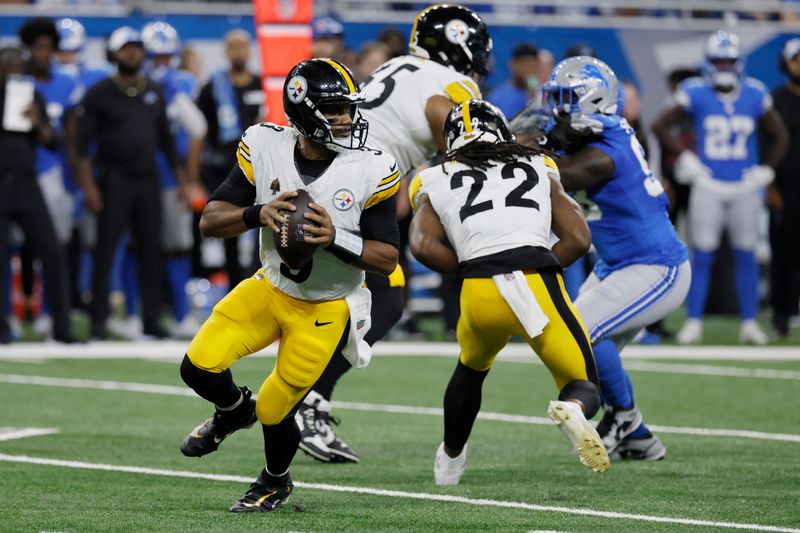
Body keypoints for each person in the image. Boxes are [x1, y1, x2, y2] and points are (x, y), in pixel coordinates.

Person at [178, 58, 399, 512]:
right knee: (197, 367)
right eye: (335, 110)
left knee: (276, 410)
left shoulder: (369, 168)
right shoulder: (265, 146)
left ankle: (275, 481)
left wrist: (336, 237)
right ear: (303, 111)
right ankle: (233, 410)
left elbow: (387, 257)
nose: (347, 119)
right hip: (270, 286)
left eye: (348, 109)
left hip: (325, 306)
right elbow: (210, 220)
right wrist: (257, 212)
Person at [293, 3, 492, 464]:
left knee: (353, 300)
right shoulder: (451, 84)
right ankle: (305, 402)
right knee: (384, 302)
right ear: (458, 45)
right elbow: (457, 136)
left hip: (336, 177)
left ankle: (303, 399)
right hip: (353, 186)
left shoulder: (395, 66)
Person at [408, 99, 608, 484]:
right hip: (535, 280)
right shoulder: (538, 165)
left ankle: (450, 462)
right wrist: (541, 265)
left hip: (479, 289)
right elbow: (579, 238)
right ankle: (572, 409)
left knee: (471, 367)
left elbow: (422, 245)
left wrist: (468, 272)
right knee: (583, 385)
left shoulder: (434, 177)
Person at [540, 56, 691, 460]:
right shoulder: (596, 133)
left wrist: (521, 148)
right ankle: (639, 437)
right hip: (617, 264)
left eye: (566, 99)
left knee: (583, 333)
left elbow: (563, 172)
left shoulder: (606, 152)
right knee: (574, 342)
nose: (556, 109)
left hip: (657, 266)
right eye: (554, 98)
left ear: (594, 100)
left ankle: (623, 415)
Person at [652, 31, 789, 345]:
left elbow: (781, 135)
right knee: (703, 253)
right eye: (718, 61)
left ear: (739, 63)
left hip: (744, 184)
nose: (724, 67)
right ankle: (694, 321)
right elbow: (660, 124)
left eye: (729, 61)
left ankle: (750, 322)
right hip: (709, 182)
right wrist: (685, 155)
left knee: (746, 254)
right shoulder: (696, 92)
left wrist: (767, 169)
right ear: (708, 63)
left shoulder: (755, 94)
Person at [75, 26, 183, 339]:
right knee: (106, 249)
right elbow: (81, 146)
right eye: (126, 48)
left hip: (148, 179)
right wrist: (89, 187)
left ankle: (151, 319)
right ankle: (99, 320)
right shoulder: (99, 93)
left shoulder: (155, 91)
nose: (133, 53)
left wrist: (181, 180)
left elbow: (166, 140)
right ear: (114, 53)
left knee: (152, 249)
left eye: (137, 47)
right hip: (113, 180)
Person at [0, 46, 75, 344]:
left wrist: (37, 122)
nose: (14, 72)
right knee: (1, 258)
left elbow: (52, 141)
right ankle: (3, 327)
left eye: (19, 67)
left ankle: (62, 327)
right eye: (8, 66)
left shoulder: (33, 98)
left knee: (53, 253)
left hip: (28, 184)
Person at [142, 21, 207, 338]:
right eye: (156, 57)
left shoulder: (182, 84)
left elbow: (196, 130)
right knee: (137, 246)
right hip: (138, 175)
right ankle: (135, 314)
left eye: (167, 57)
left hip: (172, 177)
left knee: (178, 247)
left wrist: (190, 177)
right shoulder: (133, 83)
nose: (161, 64)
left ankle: (181, 312)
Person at [18, 17, 82, 337]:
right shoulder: (14, 81)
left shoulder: (67, 83)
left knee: (53, 247)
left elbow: (70, 138)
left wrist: (78, 179)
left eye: (48, 47)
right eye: (38, 47)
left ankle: (47, 310)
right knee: (17, 248)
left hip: (54, 173)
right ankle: (16, 313)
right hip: (17, 174)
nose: (44, 54)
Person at [196, 29, 263, 288]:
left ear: (250, 50)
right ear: (225, 52)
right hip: (225, 172)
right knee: (230, 233)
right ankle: (233, 288)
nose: (238, 52)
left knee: (262, 231)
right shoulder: (213, 87)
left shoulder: (260, 84)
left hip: (260, 171)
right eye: (233, 46)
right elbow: (200, 132)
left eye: (243, 46)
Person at [769, 38, 800, 338]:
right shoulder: (776, 99)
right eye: (797, 59)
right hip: (786, 188)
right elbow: (768, 144)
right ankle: (781, 315)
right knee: (783, 254)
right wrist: (770, 185)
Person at [487, 42, 539, 119]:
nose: (529, 71)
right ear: (512, 64)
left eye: (533, 66)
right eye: (525, 65)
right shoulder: (497, 98)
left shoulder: (542, 96)